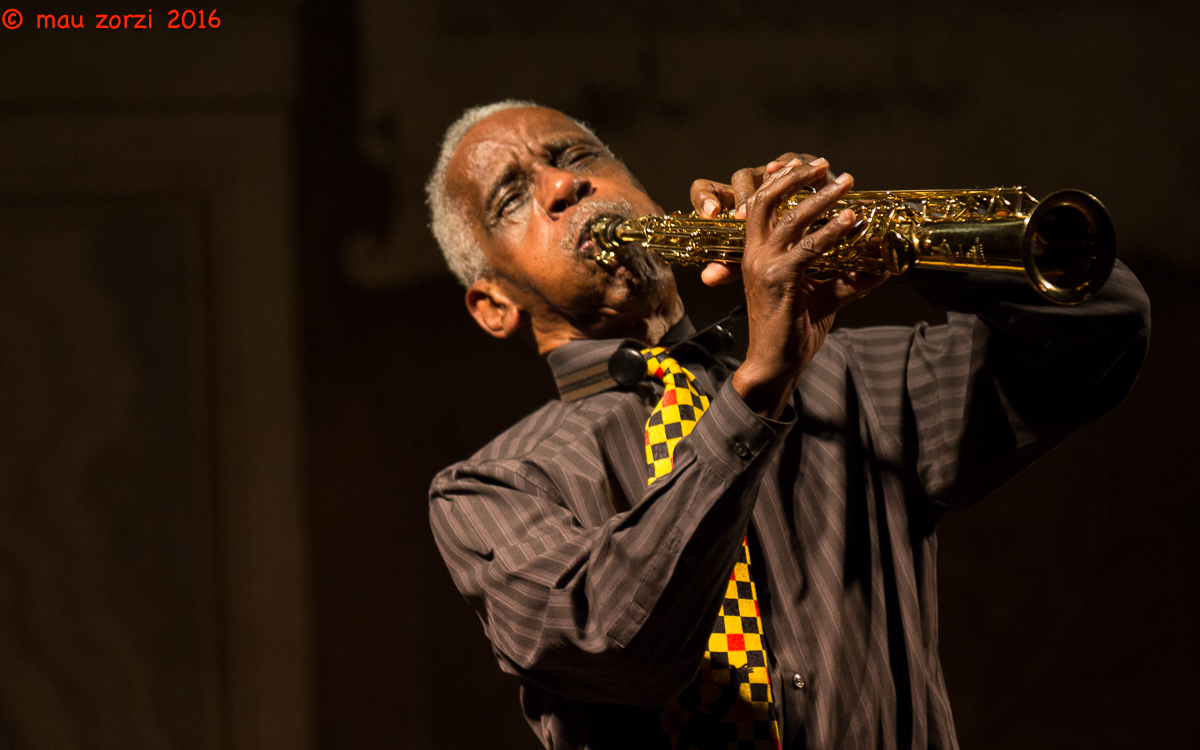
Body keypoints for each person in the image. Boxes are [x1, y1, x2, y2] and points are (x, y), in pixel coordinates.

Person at [424, 100, 1150, 750]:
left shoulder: (856, 378)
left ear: (634, 182)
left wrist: (872, 234)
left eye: (576, 156)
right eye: (513, 198)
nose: (562, 187)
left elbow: (1103, 327)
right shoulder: (489, 486)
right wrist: (755, 390)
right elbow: (617, 640)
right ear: (492, 304)